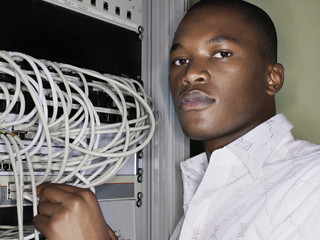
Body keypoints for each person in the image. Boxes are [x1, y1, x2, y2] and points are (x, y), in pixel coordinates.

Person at [33, 0, 320, 239]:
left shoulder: (312, 180)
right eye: (180, 60)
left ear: (272, 78)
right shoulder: (209, 185)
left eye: (221, 54)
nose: (190, 74)